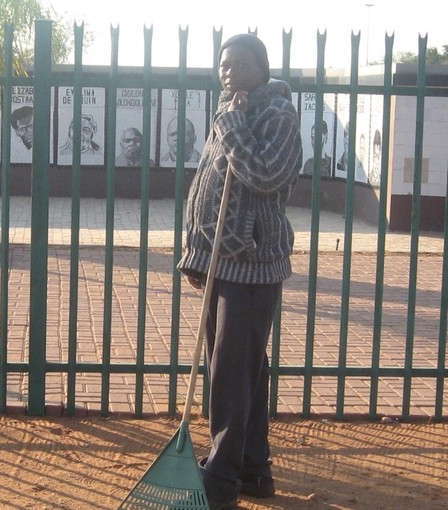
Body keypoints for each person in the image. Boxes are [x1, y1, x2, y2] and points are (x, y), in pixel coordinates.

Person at [177, 34, 302, 509]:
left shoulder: (277, 115)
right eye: (223, 65)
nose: (228, 72)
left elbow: (267, 175)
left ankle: (220, 479)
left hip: (253, 267)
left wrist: (232, 125)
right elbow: (208, 182)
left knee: (230, 372)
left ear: (262, 68)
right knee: (242, 370)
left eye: (240, 64)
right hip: (220, 263)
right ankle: (253, 469)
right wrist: (198, 254)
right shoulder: (230, 108)